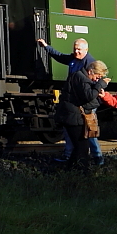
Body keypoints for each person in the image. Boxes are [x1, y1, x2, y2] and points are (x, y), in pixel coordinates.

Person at [37, 37, 104, 165]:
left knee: (88, 129)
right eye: (75, 49)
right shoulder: (73, 58)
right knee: (73, 130)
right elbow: (60, 56)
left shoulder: (90, 63)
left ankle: (97, 157)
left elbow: (96, 82)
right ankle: (70, 156)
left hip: (85, 100)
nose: (76, 52)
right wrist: (46, 47)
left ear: (86, 50)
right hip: (74, 100)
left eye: (79, 49)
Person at [54, 60, 109, 171]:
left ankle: (70, 171)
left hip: (71, 116)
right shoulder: (82, 79)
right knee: (82, 147)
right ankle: (82, 173)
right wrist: (101, 84)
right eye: (97, 77)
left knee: (79, 147)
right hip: (73, 118)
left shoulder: (78, 76)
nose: (96, 80)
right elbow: (88, 96)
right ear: (90, 71)